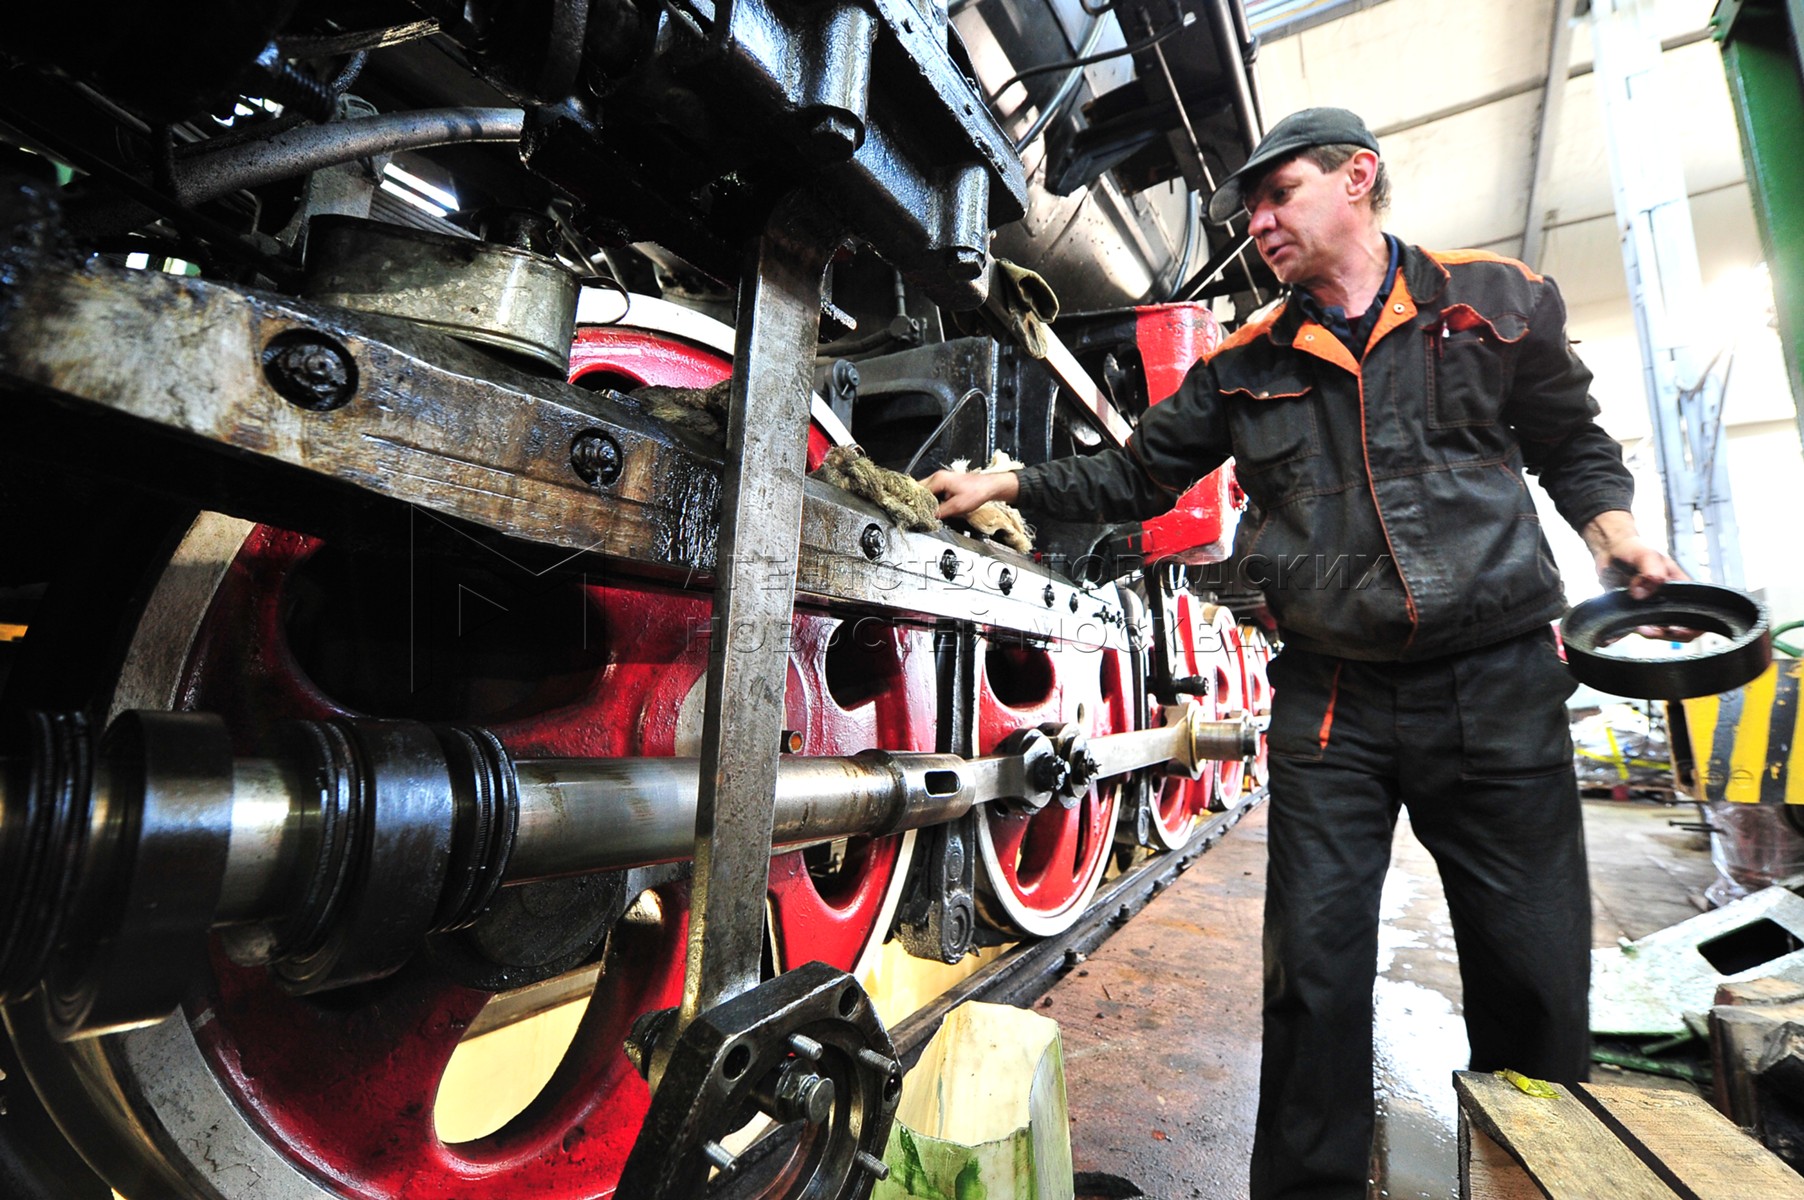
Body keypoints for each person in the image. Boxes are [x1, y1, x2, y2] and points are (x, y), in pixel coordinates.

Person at [926, 107, 1686, 1200]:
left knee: (1531, 972)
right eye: (1251, 207)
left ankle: (1534, 1176)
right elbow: (1139, 477)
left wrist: (1618, 541)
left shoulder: (1494, 299)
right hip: (1335, 696)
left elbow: (1571, 442)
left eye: (1278, 194)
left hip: (1499, 676)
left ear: (1357, 178)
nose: (1259, 221)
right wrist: (1006, 482)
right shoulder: (1245, 359)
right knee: (1311, 974)